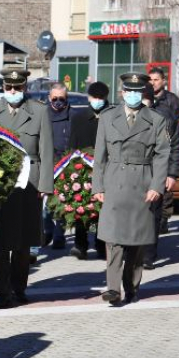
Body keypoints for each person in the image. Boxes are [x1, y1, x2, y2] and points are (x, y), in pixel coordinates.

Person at [92, 73, 170, 305]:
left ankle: (132, 286)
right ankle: (113, 289)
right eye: (130, 91)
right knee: (113, 239)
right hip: (114, 182)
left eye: (138, 91)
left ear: (143, 93)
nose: (134, 95)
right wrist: (97, 185)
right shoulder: (107, 118)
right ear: (122, 93)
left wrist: (157, 185)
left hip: (142, 184)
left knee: (136, 241)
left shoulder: (155, 119)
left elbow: (162, 155)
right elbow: (99, 157)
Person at [0, 67, 54, 307]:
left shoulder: (39, 111)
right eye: (9, 87)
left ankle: (19, 288)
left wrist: (46, 183)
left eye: (18, 87)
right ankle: (2, 291)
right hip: (1, 182)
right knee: (0, 240)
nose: (13, 91)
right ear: (3, 88)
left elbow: (46, 148)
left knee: (24, 241)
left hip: (30, 181)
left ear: (25, 88)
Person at [142, 83, 179, 270]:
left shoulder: (166, 118)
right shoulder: (125, 115)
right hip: (131, 175)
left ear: (151, 100)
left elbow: (176, 147)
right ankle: (131, 250)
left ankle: (148, 255)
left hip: (156, 173)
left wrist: (172, 174)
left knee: (152, 215)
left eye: (143, 99)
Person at [68, 81, 110, 260]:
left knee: (103, 210)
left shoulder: (112, 115)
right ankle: (80, 244)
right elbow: (72, 143)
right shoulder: (78, 118)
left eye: (101, 98)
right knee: (81, 206)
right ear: (89, 98)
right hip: (82, 168)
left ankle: (102, 245)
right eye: (95, 98)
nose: (98, 101)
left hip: (106, 168)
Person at [148, 67, 179, 235]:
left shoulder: (172, 100)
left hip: (168, 147)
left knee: (165, 193)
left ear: (163, 81)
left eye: (156, 79)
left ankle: (163, 219)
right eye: (151, 80)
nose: (153, 83)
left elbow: (177, 126)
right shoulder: (144, 99)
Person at [43, 82, 74, 250]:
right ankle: (47, 230)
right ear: (49, 98)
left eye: (61, 98)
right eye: (54, 98)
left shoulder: (72, 116)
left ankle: (59, 235)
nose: (58, 101)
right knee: (45, 203)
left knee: (61, 201)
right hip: (46, 163)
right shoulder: (43, 115)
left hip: (65, 164)